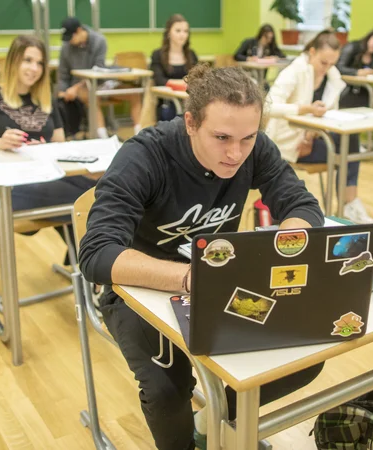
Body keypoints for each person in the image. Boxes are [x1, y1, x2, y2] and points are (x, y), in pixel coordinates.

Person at [78, 64, 324, 450]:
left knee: (303, 355)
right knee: (164, 387)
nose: (236, 153)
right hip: (137, 290)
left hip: (219, 281)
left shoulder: (252, 147)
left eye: (247, 138)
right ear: (191, 122)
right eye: (222, 137)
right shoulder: (145, 156)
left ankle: (211, 420)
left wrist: (284, 244)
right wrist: (191, 277)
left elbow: (303, 205)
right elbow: (96, 254)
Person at [0, 35, 98, 293]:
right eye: (27, 60)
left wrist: (45, 147)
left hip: (46, 177)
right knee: (97, 198)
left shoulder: (45, 100)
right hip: (6, 187)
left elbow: (60, 144)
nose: (33, 68)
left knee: (105, 188)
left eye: (39, 63)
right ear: (13, 60)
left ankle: (93, 275)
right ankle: (95, 279)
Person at [266, 30, 373, 224]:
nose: (326, 68)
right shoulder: (295, 71)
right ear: (312, 52)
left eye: (332, 64)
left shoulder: (332, 77)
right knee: (346, 148)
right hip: (286, 144)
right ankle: (349, 204)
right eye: (323, 62)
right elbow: (268, 106)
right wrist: (305, 109)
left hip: (312, 140)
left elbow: (328, 117)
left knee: (351, 138)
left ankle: (350, 203)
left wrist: (311, 135)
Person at [57, 17, 110, 138]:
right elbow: (63, 74)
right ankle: (98, 135)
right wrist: (62, 92)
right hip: (76, 88)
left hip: (98, 83)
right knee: (86, 96)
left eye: (71, 37)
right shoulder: (66, 47)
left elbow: (98, 70)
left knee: (134, 94)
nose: (69, 41)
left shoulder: (99, 41)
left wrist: (76, 87)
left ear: (79, 30)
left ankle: (103, 136)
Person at [150, 14, 198, 121]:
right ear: (168, 33)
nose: (182, 35)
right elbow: (159, 80)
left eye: (186, 31)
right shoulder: (158, 55)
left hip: (190, 100)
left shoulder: (191, 54)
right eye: (178, 31)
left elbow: (198, 77)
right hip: (167, 102)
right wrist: (181, 84)